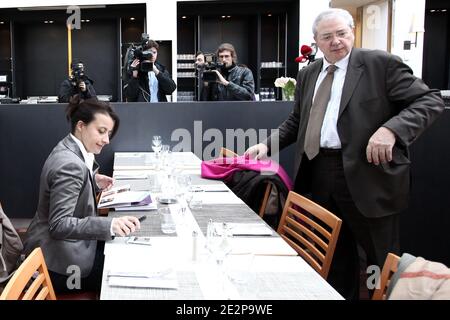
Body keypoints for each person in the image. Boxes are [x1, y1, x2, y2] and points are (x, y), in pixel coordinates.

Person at [245, 8, 444, 300]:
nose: (336, 41)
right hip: (318, 174)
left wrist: (391, 130)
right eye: (327, 36)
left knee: (381, 261)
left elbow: (429, 100)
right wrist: (267, 145)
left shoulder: (380, 64)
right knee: (333, 257)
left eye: (342, 33)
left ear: (352, 33)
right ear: (316, 41)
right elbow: (297, 121)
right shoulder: (309, 73)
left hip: (369, 176)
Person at [23, 97, 141, 293]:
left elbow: (68, 186)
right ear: (81, 126)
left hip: (62, 251)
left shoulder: (70, 148)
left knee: (124, 250)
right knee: (126, 271)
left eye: (109, 133)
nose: (106, 140)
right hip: (61, 267)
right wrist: (109, 225)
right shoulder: (71, 165)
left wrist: (93, 181)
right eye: (101, 131)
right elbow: (59, 225)